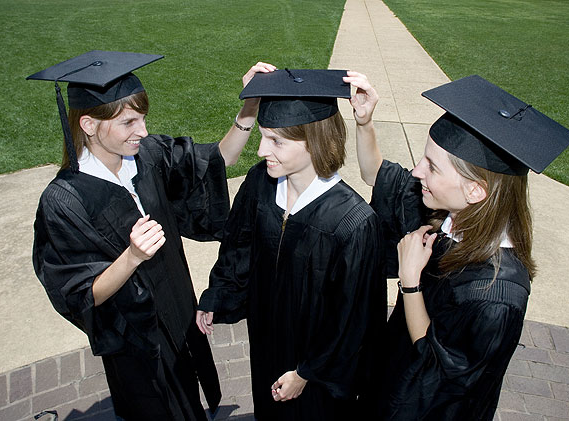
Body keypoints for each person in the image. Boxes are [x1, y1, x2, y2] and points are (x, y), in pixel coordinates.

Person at [28, 50, 276, 421]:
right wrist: (132, 257)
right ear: (89, 125)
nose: (141, 131)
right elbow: (80, 293)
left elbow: (216, 161)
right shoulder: (65, 202)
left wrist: (249, 110)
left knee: (188, 396)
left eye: (142, 119)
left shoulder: (148, 155)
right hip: (136, 339)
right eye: (128, 122)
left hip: (177, 306)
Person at [345, 72, 569, 420]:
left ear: (475, 190)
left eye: (432, 167)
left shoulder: (496, 296)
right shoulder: (446, 214)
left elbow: (438, 371)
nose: (417, 171)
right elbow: (377, 176)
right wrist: (365, 123)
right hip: (392, 379)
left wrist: (410, 283)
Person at [196, 69, 387, 420]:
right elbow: (238, 247)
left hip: (316, 372)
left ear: (314, 141)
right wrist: (218, 295)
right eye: (264, 136)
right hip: (267, 339)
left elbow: (352, 320)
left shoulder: (352, 223)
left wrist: (305, 372)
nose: (261, 149)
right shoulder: (261, 184)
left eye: (276, 141)